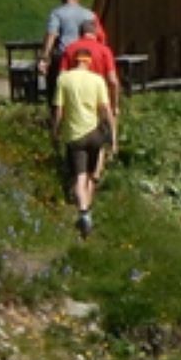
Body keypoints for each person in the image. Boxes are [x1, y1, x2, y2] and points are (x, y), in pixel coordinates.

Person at [49, 46, 116, 239]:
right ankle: (88, 204)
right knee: (91, 173)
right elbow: (105, 110)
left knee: (79, 175)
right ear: (89, 61)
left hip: (75, 135)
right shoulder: (97, 80)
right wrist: (112, 136)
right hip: (94, 133)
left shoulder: (64, 79)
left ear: (74, 61)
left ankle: (84, 213)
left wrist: (55, 131)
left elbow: (59, 111)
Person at [60, 16, 123, 128]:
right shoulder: (104, 50)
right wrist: (115, 105)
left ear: (80, 33)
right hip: (99, 99)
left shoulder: (69, 49)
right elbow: (113, 81)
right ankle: (109, 145)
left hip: (75, 101)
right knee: (102, 135)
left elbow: (61, 78)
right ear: (96, 33)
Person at [40, 0, 97, 100]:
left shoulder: (56, 13)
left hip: (63, 54)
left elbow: (52, 35)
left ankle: (56, 114)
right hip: (83, 55)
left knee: (56, 88)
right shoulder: (89, 14)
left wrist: (45, 57)